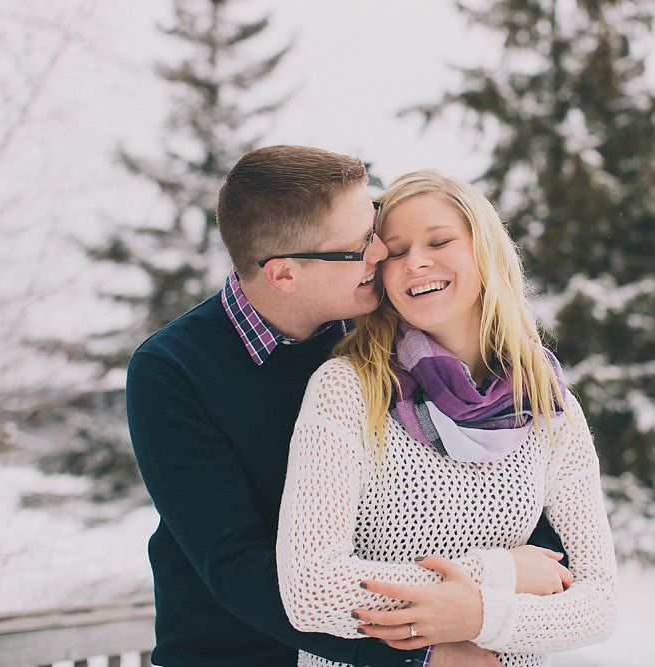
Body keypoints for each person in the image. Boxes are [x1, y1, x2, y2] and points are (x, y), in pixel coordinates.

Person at [126, 146, 572, 667]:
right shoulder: (173, 371)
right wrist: (423, 653)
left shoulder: (386, 332)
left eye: (374, 224)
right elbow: (235, 563)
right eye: (359, 246)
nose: (383, 253)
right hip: (240, 651)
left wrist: (504, 585)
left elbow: (492, 464)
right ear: (284, 275)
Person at [276, 170, 617, 666]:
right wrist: (498, 577)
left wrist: (478, 616)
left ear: (485, 251)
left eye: (440, 241)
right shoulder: (347, 387)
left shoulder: (546, 403)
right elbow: (311, 589)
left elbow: (598, 604)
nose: (416, 261)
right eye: (394, 251)